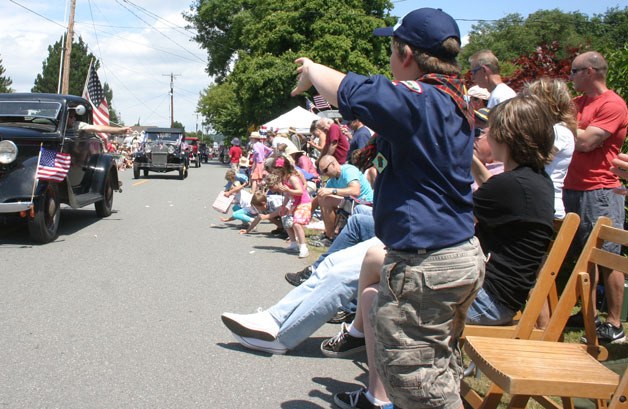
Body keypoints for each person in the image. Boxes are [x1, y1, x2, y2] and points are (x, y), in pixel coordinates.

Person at [290, 7, 482, 409]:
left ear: (406, 54)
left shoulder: (423, 100)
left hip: (428, 263)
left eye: (392, 52)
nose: (390, 63)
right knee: (436, 373)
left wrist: (312, 68)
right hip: (455, 255)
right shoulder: (452, 99)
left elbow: (355, 91)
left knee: (418, 388)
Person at [324, 95, 556, 409]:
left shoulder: (510, 187)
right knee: (372, 288)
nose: (482, 136)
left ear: (509, 136)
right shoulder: (533, 181)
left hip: (488, 302)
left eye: (489, 130)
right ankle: (376, 395)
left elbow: (443, 217)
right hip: (493, 293)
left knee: (378, 269)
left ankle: (365, 363)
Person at [563, 51, 628, 343]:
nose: (570, 77)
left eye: (574, 72)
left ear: (590, 72)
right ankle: (587, 314)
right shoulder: (579, 103)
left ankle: (614, 323)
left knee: (609, 256)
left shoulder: (612, 104)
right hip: (574, 186)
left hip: (601, 189)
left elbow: (586, 142)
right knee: (582, 257)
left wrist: (567, 126)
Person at [524, 77, 576, 220]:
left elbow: (537, 159)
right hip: (540, 202)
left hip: (547, 205)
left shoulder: (559, 131)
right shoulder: (551, 130)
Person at [313, 155, 373, 246]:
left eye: (325, 170)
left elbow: (355, 191)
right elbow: (320, 197)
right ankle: (328, 234)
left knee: (326, 200)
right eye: (322, 172)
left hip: (364, 203)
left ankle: (330, 237)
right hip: (351, 202)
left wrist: (332, 191)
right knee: (322, 197)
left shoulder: (348, 170)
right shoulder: (332, 179)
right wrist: (304, 214)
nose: (325, 174)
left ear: (333, 164)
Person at [272, 155, 312, 258]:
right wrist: (283, 206)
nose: (275, 173)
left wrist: (288, 190)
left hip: (304, 202)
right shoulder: (284, 179)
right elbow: (287, 195)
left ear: (283, 169)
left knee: (296, 224)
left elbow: (300, 191)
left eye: (277, 170)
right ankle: (294, 243)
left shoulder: (293, 178)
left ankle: (303, 247)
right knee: (287, 220)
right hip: (295, 203)